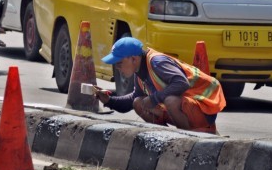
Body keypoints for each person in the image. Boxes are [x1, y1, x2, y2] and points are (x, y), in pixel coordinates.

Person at [94, 37, 226, 134]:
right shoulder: (139, 72)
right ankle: (165, 137)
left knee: (170, 101)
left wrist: (153, 98)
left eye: (119, 63)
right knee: (138, 102)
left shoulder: (157, 62)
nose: (117, 68)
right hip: (189, 107)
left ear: (133, 59)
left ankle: (189, 138)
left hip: (205, 108)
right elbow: (132, 101)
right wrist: (109, 100)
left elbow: (181, 83)